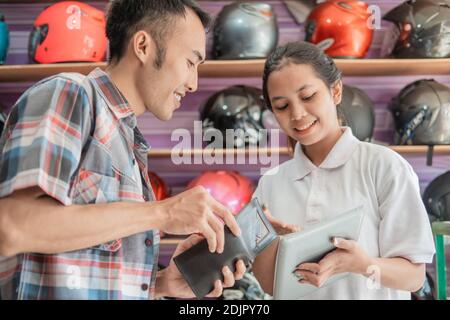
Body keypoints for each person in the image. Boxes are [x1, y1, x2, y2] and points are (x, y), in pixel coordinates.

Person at [0, 0, 246, 300]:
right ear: (143, 46)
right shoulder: (71, 93)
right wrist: (161, 213)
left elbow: (85, 271)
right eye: (190, 62)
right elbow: (13, 227)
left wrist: (162, 284)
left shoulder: (129, 141)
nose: (193, 83)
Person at [252, 41, 436, 299]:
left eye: (308, 97)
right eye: (282, 106)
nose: (297, 114)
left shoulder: (384, 166)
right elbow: (269, 285)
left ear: (335, 90)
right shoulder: (271, 183)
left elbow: (414, 277)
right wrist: (272, 243)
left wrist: (360, 264)